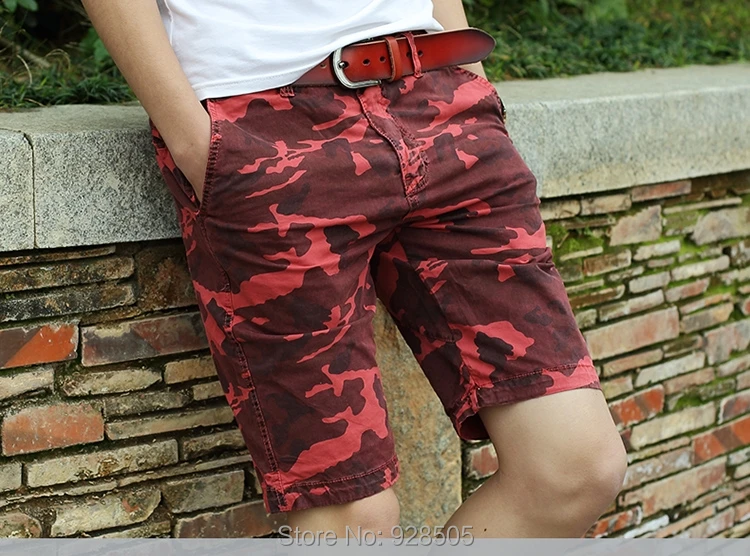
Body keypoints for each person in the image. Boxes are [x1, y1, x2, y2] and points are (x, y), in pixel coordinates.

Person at [81, 0, 628, 539]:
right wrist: (193, 142)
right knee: (352, 523)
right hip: (265, 129)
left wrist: (470, 79)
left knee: (574, 468)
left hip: (438, 98)